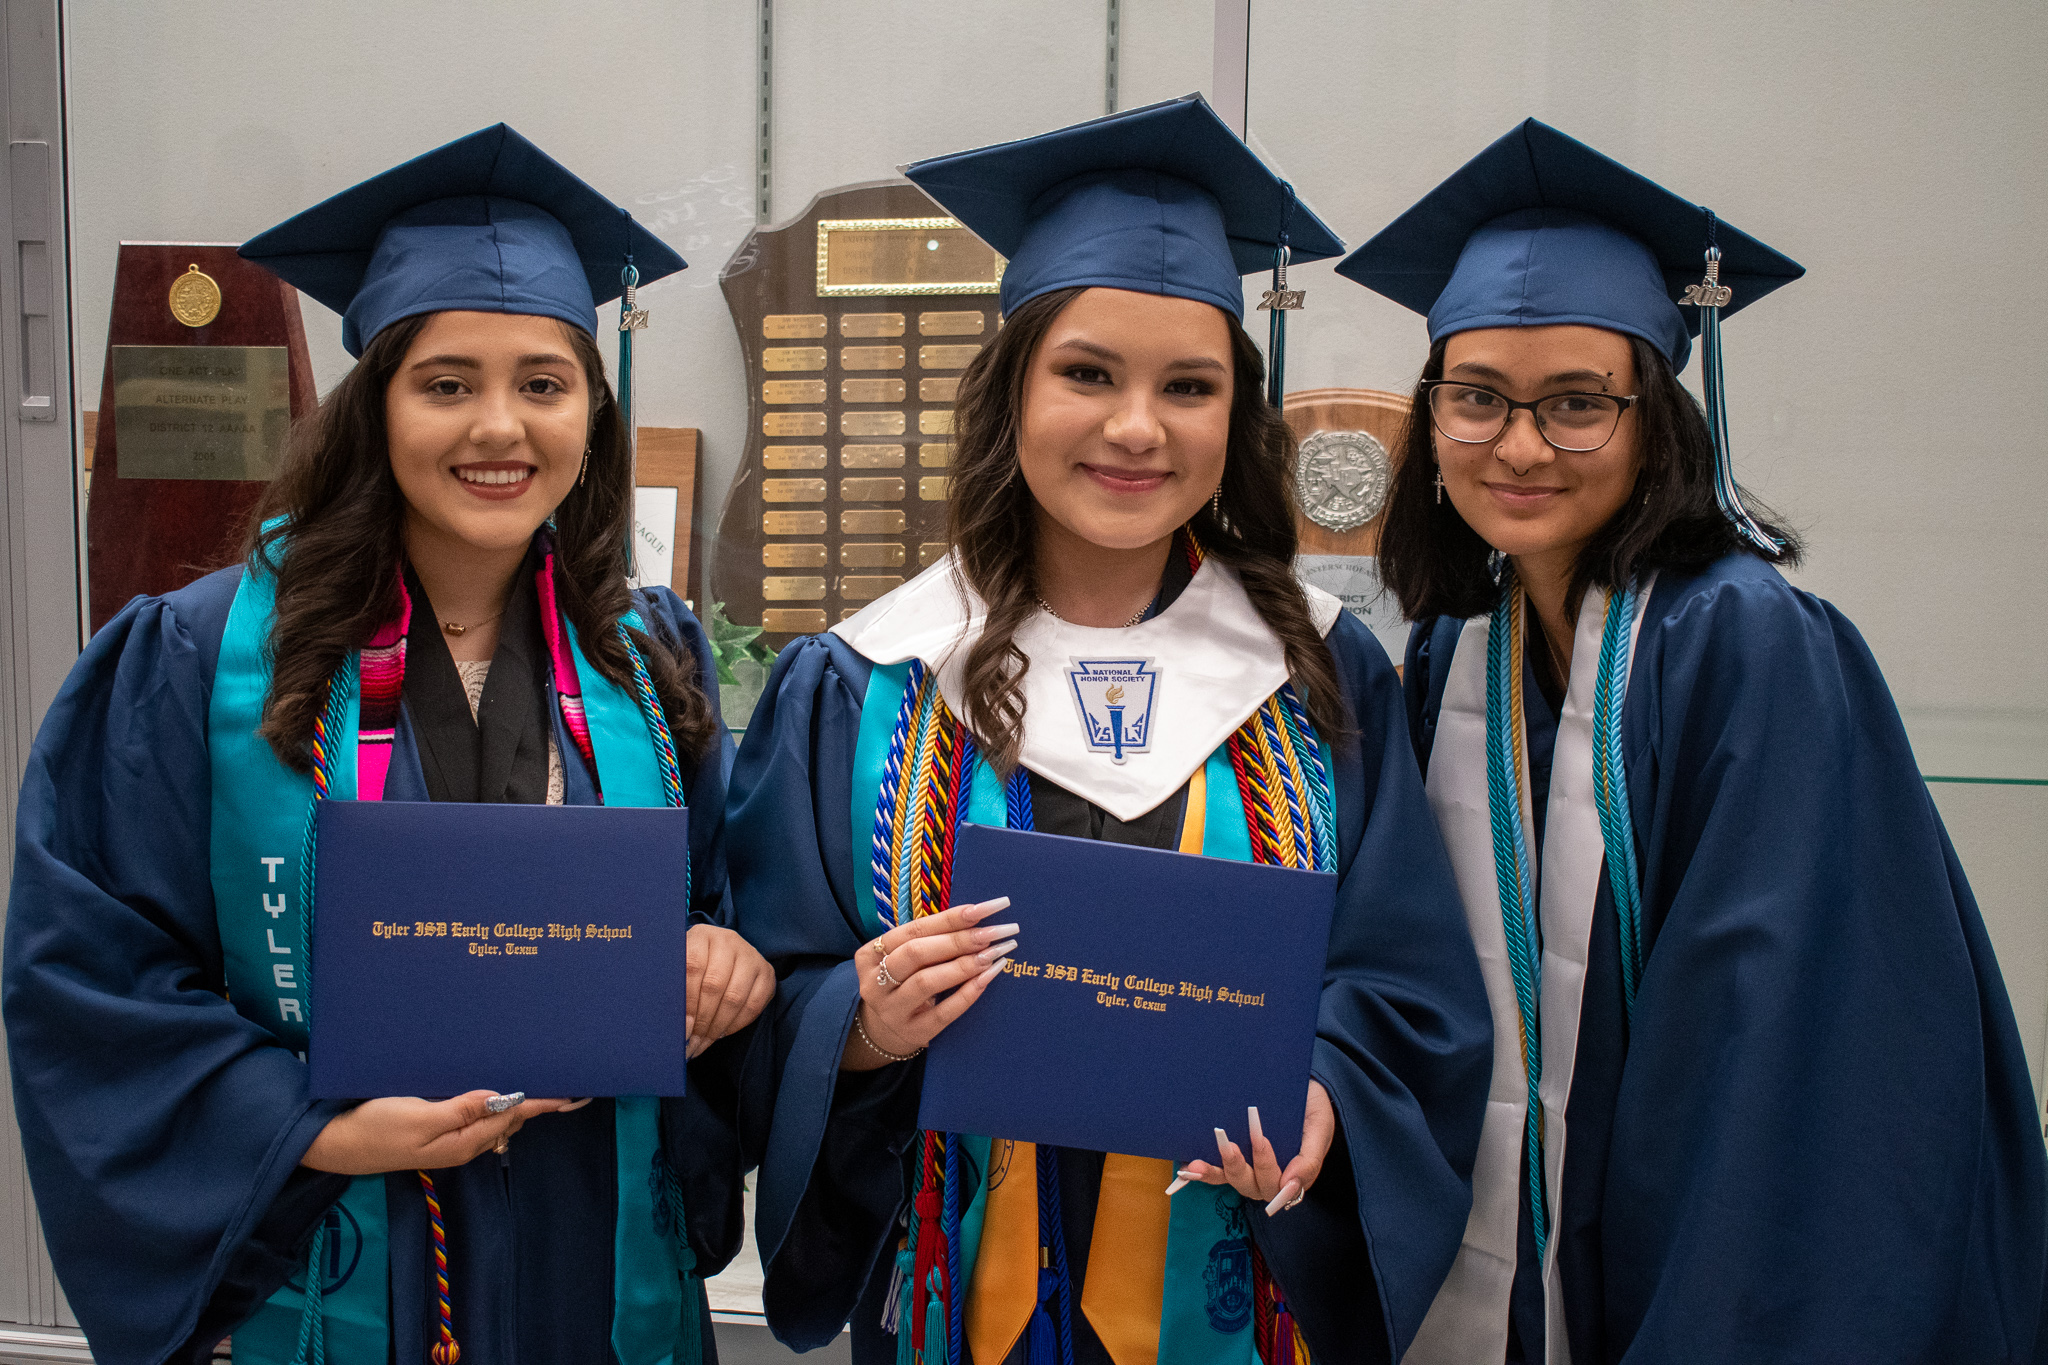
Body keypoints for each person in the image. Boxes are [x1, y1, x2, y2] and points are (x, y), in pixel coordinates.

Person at [727, 95, 1491, 1365]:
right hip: (951, 1301)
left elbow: (1402, 982)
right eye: (1086, 373)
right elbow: (763, 985)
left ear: (1231, 419)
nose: (1136, 427)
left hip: (1230, 1301)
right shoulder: (865, 681)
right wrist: (856, 1025)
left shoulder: (1314, 673)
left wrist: (1328, 1096)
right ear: (1011, 390)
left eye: (1186, 387)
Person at [2, 125, 772, 1365]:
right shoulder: (197, 660)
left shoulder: (646, 653)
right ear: (379, 405)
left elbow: (729, 898)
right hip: (338, 1235)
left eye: (542, 382)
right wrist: (312, 1125)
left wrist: (720, 955)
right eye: (447, 382)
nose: (499, 428)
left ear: (590, 409)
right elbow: (88, 970)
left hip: (591, 1230)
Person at [1340, 118, 2048, 1363]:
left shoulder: (1748, 644)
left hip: (1708, 1274)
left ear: (1654, 416)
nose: (1517, 445)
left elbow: (1781, 1050)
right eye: (1477, 399)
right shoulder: (1457, 652)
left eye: (1575, 405)